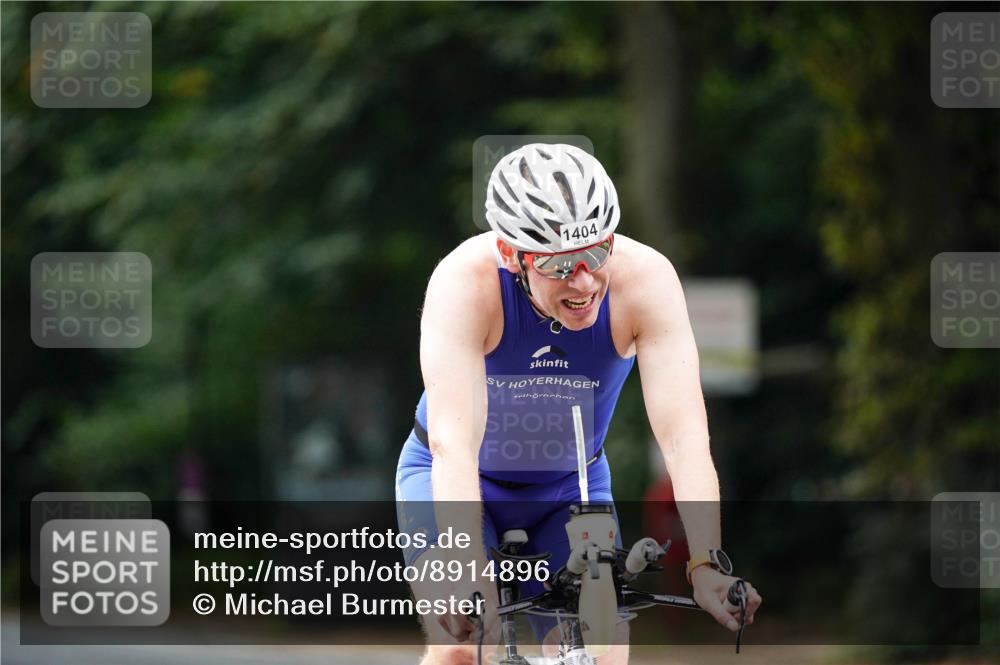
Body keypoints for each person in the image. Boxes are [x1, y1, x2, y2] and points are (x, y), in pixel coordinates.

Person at [395, 143, 761, 665]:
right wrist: (465, 567)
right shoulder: (464, 283)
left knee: (603, 650)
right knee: (465, 645)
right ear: (510, 255)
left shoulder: (646, 281)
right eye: (561, 264)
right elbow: (454, 447)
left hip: (572, 485)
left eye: (595, 253)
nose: (585, 281)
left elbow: (684, 439)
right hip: (449, 476)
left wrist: (706, 563)